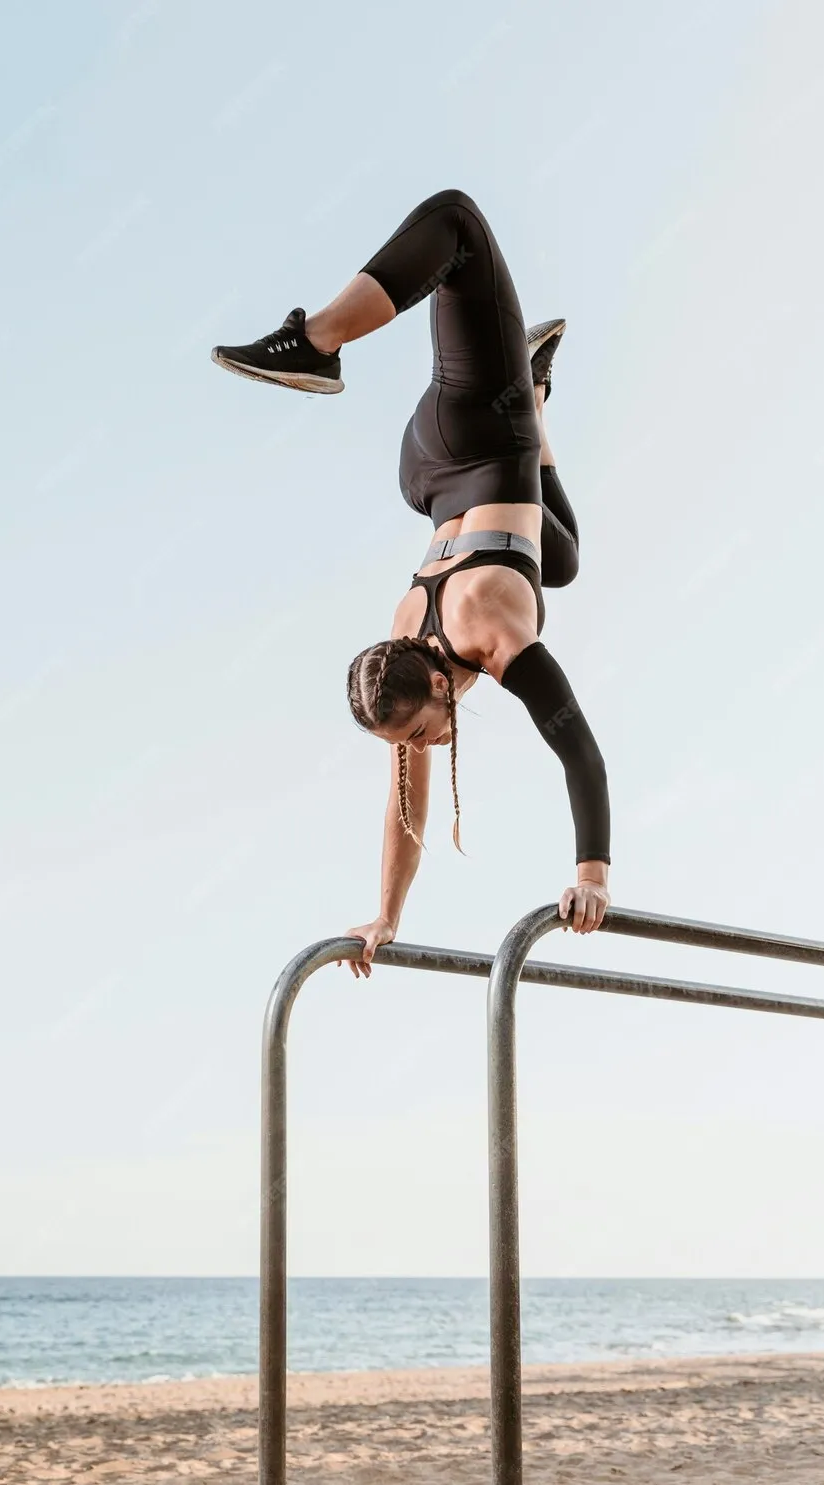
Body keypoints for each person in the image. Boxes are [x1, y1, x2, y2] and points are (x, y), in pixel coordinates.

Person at [212, 190, 611, 976]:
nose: (432, 740)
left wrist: (591, 875)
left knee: (460, 224)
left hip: (473, 431)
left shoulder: (489, 628)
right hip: (429, 473)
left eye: (426, 730)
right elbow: (405, 810)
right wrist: (386, 913)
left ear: (437, 674)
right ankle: (532, 392)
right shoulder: (403, 659)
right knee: (560, 562)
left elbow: (579, 749)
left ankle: (314, 341)